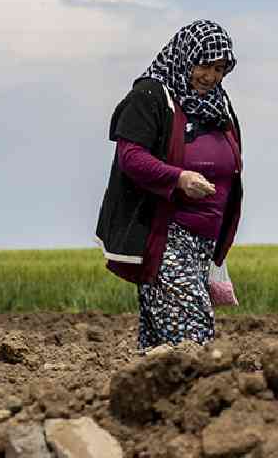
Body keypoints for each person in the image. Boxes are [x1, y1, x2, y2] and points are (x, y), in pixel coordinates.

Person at [95, 20, 244, 349]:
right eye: (204, 65)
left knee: (161, 342)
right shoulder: (150, 96)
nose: (211, 76)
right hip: (164, 236)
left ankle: (151, 380)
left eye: (219, 69)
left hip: (203, 243)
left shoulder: (219, 105)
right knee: (193, 330)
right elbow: (131, 157)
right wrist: (178, 178)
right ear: (185, 57)